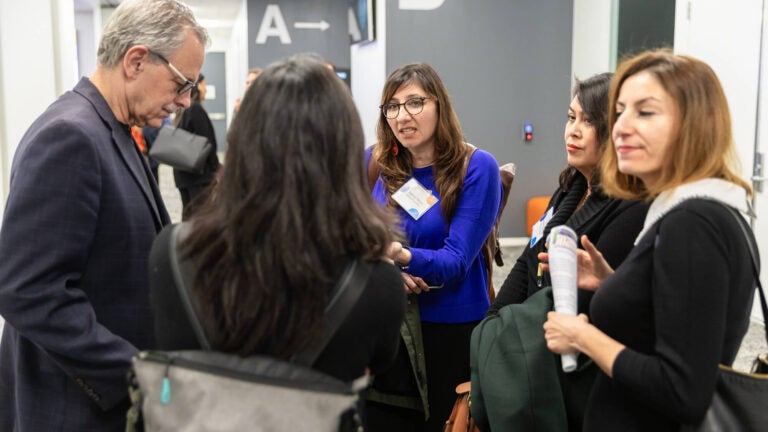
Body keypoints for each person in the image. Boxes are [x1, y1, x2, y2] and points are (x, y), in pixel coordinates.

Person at [0, 0, 206, 430]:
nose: (184, 101)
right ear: (135, 61)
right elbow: (28, 290)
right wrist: (135, 375)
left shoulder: (111, 127)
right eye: (182, 83)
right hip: (72, 408)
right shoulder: (70, 137)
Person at [149, 54, 405, 386]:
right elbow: (378, 360)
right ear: (343, 149)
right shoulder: (376, 284)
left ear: (242, 141)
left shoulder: (171, 254)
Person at [543, 49, 757, 431]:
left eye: (645, 112)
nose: (622, 126)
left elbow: (682, 391)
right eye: (620, 111)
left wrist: (582, 335)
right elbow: (676, 322)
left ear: (694, 125)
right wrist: (613, 282)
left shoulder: (692, 223)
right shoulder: (696, 211)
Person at [486, 72, 648, 429]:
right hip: (530, 355)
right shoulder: (569, 190)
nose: (572, 130)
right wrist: (491, 325)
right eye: (571, 117)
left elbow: (591, 304)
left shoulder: (631, 209)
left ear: (614, 130)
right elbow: (529, 260)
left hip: (573, 379)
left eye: (588, 121)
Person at [365, 63, 502, 431]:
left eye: (414, 103)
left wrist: (401, 256)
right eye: (392, 106)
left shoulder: (476, 167)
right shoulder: (375, 162)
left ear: (440, 105)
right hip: (388, 329)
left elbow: (456, 259)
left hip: (448, 332)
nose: (402, 116)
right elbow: (351, 237)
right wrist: (390, 271)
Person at [173, 73, 221, 219]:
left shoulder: (182, 110)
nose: (206, 89)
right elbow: (207, 143)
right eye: (205, 85)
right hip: (198, 177)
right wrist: (216, 168)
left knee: (188, 218)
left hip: (183, 175)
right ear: (198, 85)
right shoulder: (195, 109)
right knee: (200, 219)